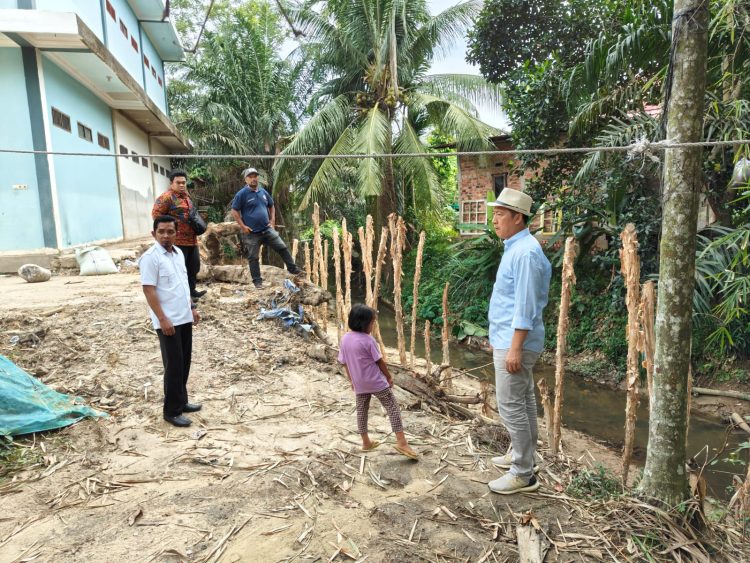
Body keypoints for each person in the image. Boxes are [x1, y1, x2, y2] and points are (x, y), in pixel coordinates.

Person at [486, 188, 551, 494]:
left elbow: (525, 305)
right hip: (511, 338)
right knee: (523, 400)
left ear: (518, 217)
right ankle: (525, 457)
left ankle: (522, 473)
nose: (494, 220)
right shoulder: (518, 247)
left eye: (500, 214)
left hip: (517, 342)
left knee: (510, 405)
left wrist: (513, 347)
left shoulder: (525, 252)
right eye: (494, 213)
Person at [139, 215, 202, 427]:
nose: (166, 236)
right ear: (154, 233)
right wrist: (162, 319)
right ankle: (171, 411)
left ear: (177, 233)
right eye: (161, 232)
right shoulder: (150, 258)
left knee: (184, 361)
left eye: (170, 232)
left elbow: (184, 285)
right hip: (168, 321)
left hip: (183, 316)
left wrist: (192, 308)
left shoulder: (177, 255)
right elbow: (149, 290)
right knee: (173, 365)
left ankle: (182, 402)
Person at [338, 304, 418, 460]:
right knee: (392, 407)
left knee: (362, 411)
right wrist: (388, 377)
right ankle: (401, 442)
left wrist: (351, 380)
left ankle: (366, 442)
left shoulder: (345, 338)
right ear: (364, 323)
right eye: (372, 322)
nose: (373, 325)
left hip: (359, 383)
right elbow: (380, 362)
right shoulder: (368, 340)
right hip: (376, 382)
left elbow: (344, 362)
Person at [230, 167, 302, 289]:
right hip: (252, 232)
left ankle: (293, 269)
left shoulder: (263, 192)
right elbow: (234, 211)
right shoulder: (241, 194)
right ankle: (257, 282)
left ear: (258, 178)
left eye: (255, 176)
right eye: (250, 177)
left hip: (267, 229)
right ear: (246, 179)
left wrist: (272, 220)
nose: (253, 179)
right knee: (253, 257)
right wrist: (243, 226)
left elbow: (271, 205)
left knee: (282, 247)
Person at [152, 170, 206, 300]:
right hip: (177, 241)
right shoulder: (167, 197)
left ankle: (192, 291)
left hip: (192, 240)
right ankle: (182, 295)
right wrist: (168, 231)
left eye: (184, 182)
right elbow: (156, 215)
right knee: (179, 269)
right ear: (172, 183)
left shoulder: (186, 197)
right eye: (178, 183)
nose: (181, 185)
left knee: (193, 267)